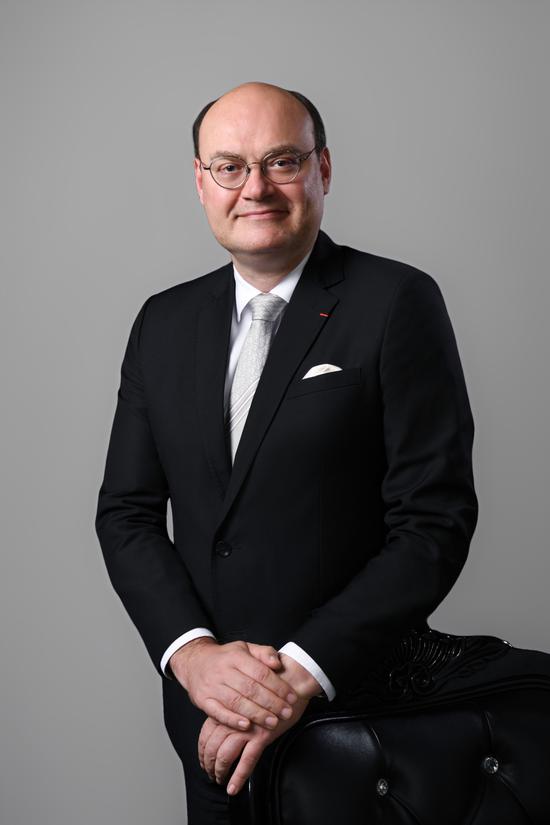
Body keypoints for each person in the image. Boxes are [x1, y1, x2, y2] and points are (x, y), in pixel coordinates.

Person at [95, 81, 478, 824]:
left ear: (322, 168)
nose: (256, 189)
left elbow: (434, 522)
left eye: (282, 161)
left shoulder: (397, 301)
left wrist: (296, 675)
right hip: (208, 726)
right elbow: (127, 513)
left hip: (352, 721)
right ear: (201, 181)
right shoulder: (162, 322)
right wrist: (193, 657)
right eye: (230, 167)